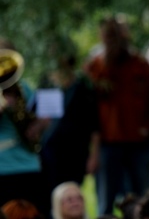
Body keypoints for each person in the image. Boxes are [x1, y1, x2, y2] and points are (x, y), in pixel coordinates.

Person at [84, 17, 149, 215]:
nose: (114, 39)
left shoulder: (140, 65)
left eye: (116, 34)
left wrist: (148, 128)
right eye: (109, 36)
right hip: (109, 142)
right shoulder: (97, 67)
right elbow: (87, 106)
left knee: (142, 201)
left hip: (139, 142)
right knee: (106, 201)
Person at [38, 38, 99, 197]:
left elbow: (94, 125)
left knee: (72, 193)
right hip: (50, 150)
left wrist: (94, 155)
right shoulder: (46, 82)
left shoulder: (82, 86)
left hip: (76, 152)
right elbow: (40, 119)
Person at [0, 44, 49, 212]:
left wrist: (37, 126)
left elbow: (45, 116)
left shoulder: (24, 87)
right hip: (3, 167)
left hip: (28, 164)